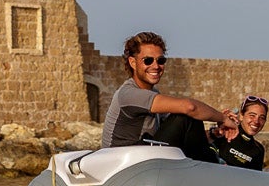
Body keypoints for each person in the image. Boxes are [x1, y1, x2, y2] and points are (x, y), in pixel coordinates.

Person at [101, 31, 239, 160]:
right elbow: (190, 107)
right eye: (148, 61)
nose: (156, 66)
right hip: (122, 166)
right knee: (187, 115)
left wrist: (215, 133)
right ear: (133, 63)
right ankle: (212, 169)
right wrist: (222, 118)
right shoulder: (128, 94)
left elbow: (183, 133)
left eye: (160, 60)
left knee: (191, 118)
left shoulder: (153, 94)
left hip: (143, 159)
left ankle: (212, 165)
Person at [211, 95, 269, 170]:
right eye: (252, 115)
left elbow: (255, 179)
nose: (256, 121)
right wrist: (215, 132)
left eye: (262, 118)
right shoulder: (226, 133)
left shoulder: (259, 150)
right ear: (241, 116)